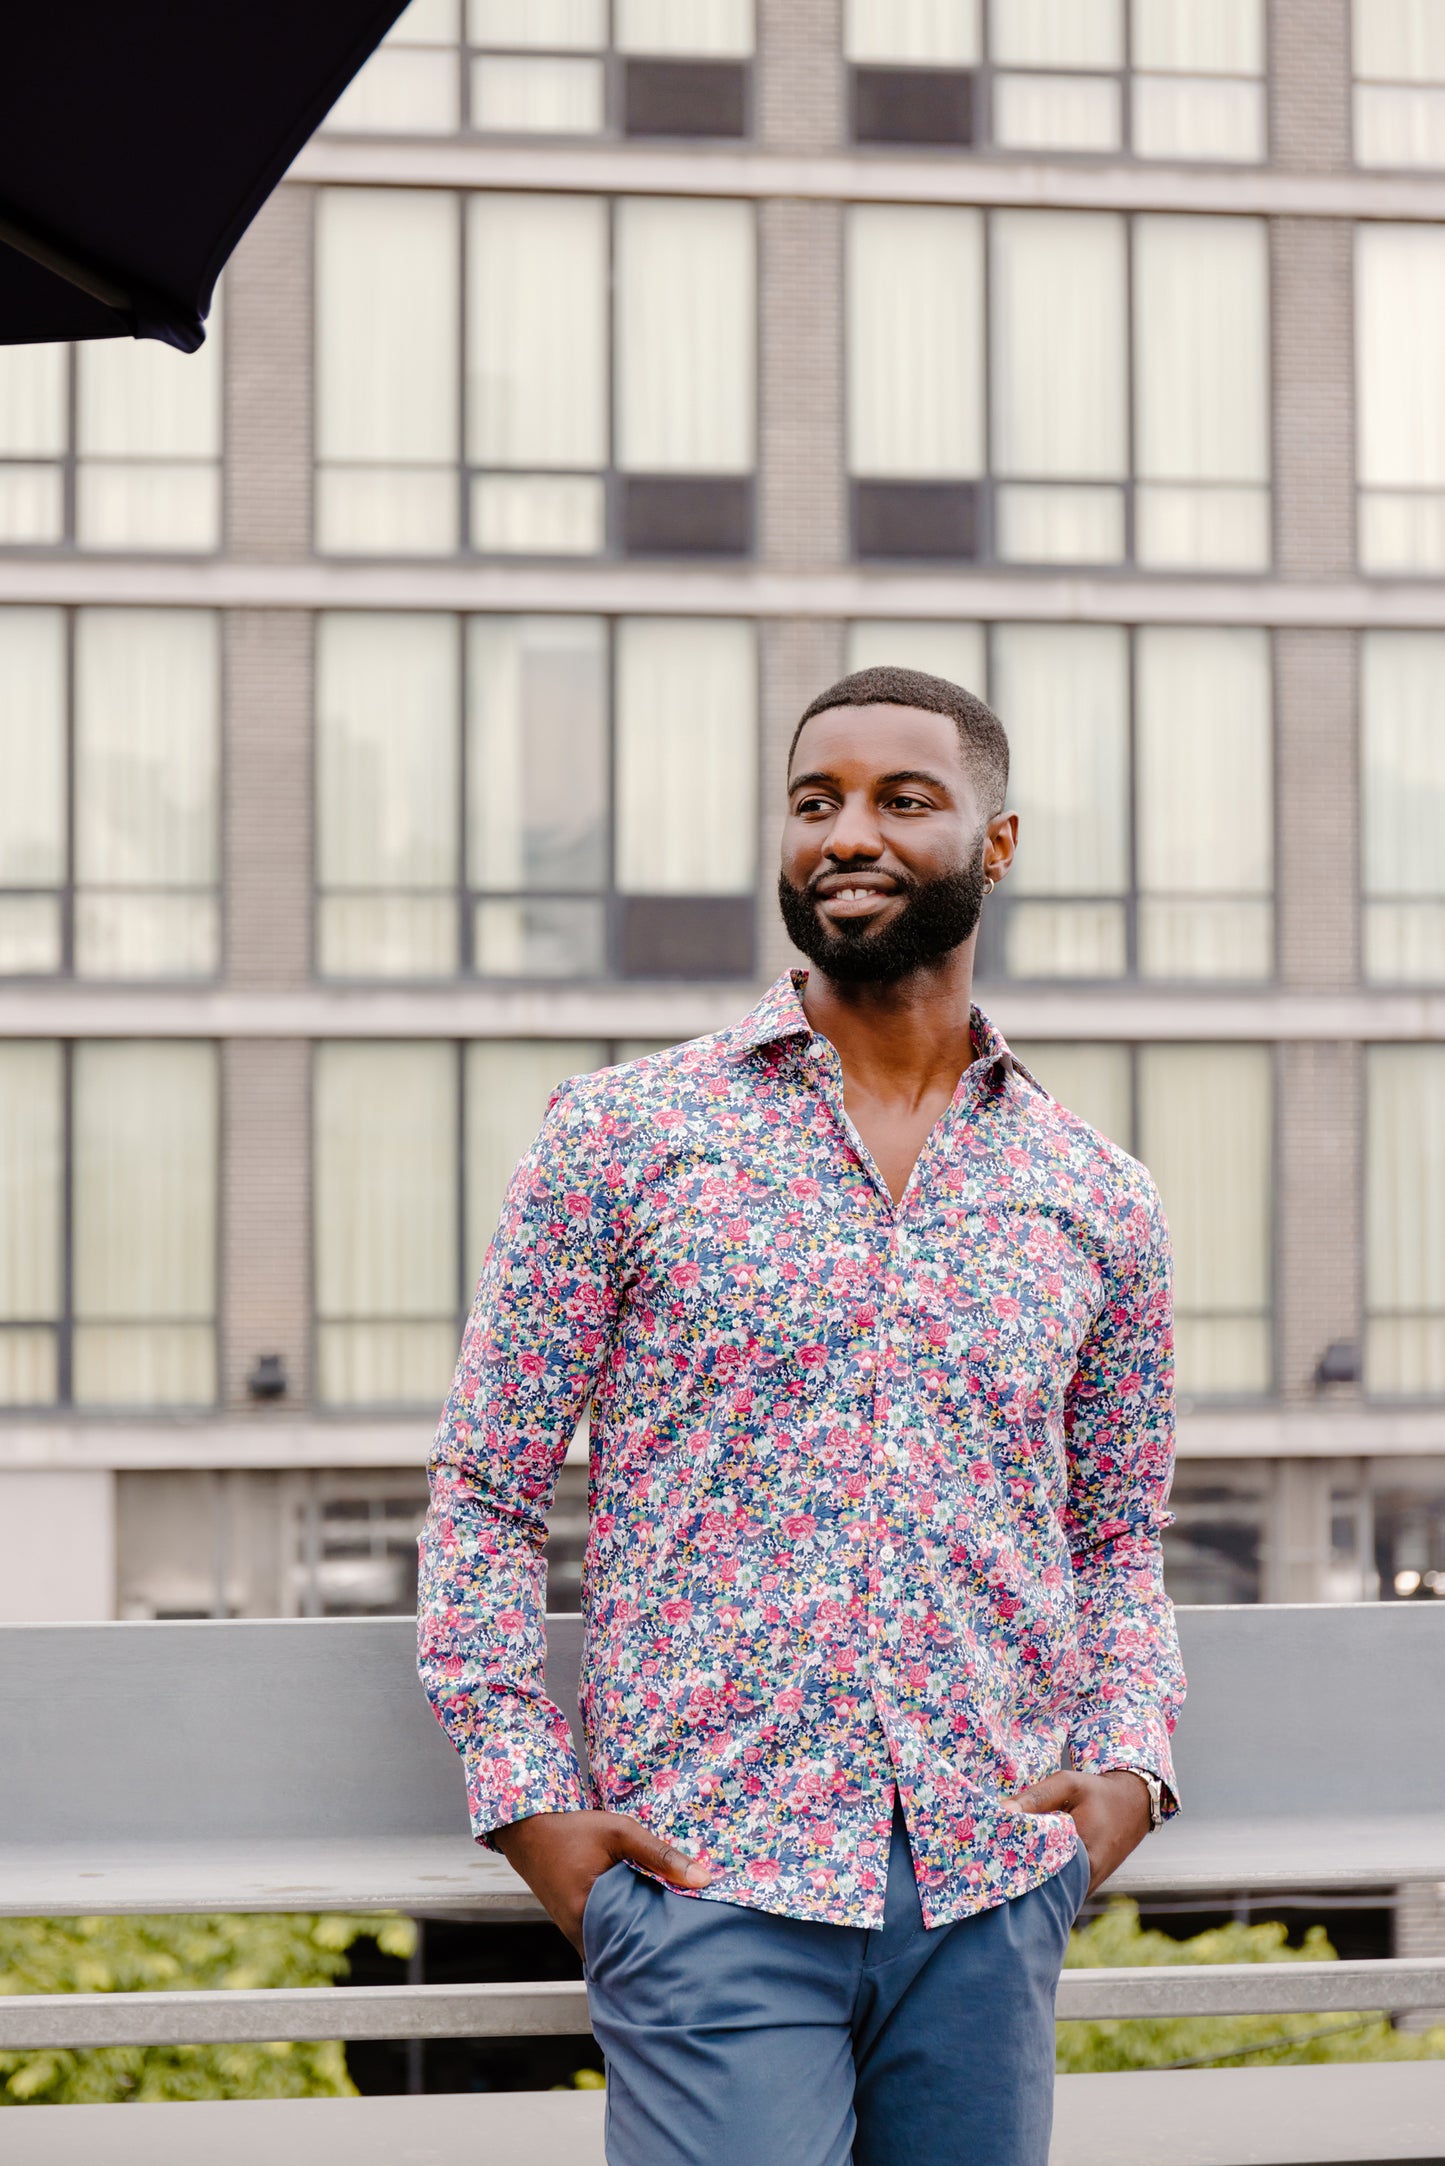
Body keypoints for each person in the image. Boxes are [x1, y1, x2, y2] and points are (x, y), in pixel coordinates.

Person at [418, 664, 1185, 2166]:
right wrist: (532, 1813)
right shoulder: (622, 1141)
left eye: (903, 799)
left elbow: (1113, 1534)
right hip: (709, 1880)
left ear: (995, 841)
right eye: (814, 800)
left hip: (987, 1883)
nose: (849, 831)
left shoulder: (1099, 1198)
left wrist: (1124, 1782)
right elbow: (489, 1493)